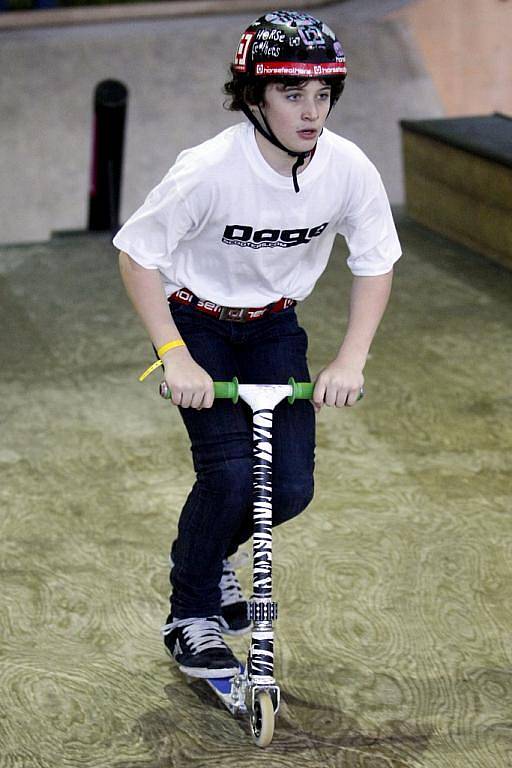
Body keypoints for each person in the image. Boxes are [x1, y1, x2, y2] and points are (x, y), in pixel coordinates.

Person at [114, 10, 401, 679]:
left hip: (273, 326)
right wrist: (173, 355)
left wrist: (351, 357)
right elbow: (137, 255)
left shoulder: (347, 168)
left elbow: (376, 261)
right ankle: (191, 612)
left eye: (323, 94)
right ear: (253, 96)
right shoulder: (209, 169)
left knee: (290, 488)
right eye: (292, 93)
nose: (312, 111)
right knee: (233, 473)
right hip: (199, 322)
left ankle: (204, 555)